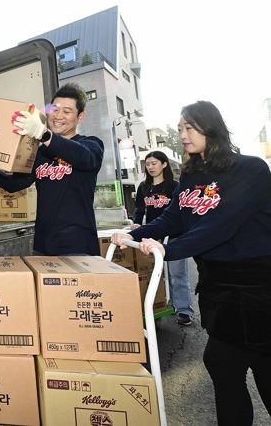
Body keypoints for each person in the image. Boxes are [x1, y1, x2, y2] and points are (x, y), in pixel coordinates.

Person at [112, 101, 271, 426]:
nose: (182, 135)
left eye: (189, 128)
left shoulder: (251, 169)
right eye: (180, 128)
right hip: (217, 287)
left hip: (256, 286)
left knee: (233, 363)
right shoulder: (192, 175)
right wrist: (136, 233)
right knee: (233, 367)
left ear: (210, 127)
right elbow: (174, 219)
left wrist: (168, 251)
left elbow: (220, 225)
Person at [0, 83, 104, 255]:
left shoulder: (91, 145)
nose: (58, 116)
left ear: (81, 116)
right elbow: (16, 183)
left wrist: (43, 134)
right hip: (43, 245)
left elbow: (84, 157)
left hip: (77, 245)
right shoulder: (41, 152)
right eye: (55, 109)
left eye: (67, 111)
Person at [131, 150, 195, 326]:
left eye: (154, 163)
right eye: (148, 164)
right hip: (152, 237)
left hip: (174, 236)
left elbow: (180, 213)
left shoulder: (175, 186)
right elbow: (140, 211)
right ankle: (158, 306)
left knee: (177, 274)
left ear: (164, 164)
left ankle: (183, 310)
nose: (150, 167)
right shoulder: (144, 187)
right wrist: (136, 224)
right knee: (154, 274)